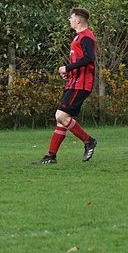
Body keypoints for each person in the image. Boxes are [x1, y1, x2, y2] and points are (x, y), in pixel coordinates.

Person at [34, 8, 98, 164]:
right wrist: (69, 73)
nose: (69, 20)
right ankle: (51, 156)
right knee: (60, 119)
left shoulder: (86, 37)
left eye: (71, 17)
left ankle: (89, 141)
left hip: (81, 84)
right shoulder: (77, 37)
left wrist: (68, 68)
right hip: (74, 82)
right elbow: (80, 61)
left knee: (61, 116)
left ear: (78, 20)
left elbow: (90, 58)